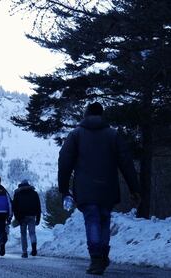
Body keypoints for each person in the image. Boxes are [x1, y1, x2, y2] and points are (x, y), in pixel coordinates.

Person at [58, 102, 140, 275]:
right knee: (104, 219)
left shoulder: (76, 135)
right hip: (107, 187)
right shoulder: (113, 135)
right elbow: (126, 163)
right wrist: (134, 188)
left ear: (85, 114)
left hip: (85, 188)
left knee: (92, 220)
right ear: (102, 115)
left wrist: (64, 189)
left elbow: (64, 162)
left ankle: (96, 258)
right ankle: (102, 254)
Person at [13, 179, 41, 258]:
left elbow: (14, 207)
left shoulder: (17, 194)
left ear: (21, 185)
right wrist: (38, 218)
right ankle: (34, 248)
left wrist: (17, 218)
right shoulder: (34, 193)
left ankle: (24, 252)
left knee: (23, 234)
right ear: (28, 184)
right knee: (32, 233)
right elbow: (38, 206)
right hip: (32, 216)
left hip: (22, 217)